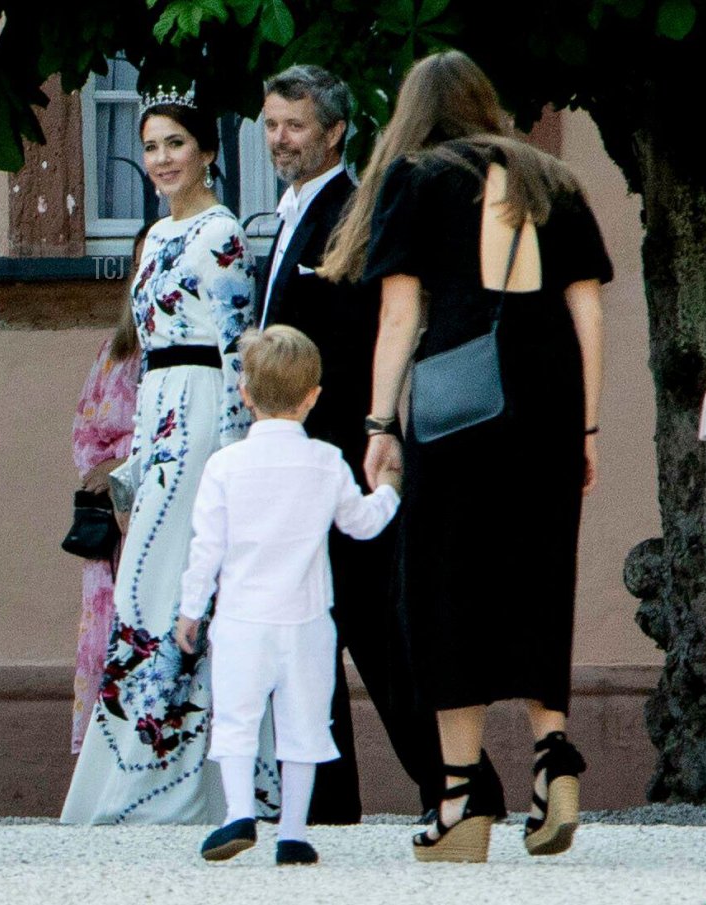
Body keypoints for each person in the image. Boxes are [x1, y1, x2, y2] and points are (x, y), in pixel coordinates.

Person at [320, 50, 611, 861]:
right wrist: (587, 428)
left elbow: (401, 315)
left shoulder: (417, 179)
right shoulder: (555, 180)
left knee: (444, 589)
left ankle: (457, 800)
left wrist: (380, 424)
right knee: (537, 577)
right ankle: (553, 757)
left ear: (418, 112)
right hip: (550, 395)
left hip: (458, 404)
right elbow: (589, 315)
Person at [61, 88, 273, 824]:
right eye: (149, 146)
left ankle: (175, 788)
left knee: (175, 590)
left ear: (208, 151)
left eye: (174, 144)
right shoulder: (152, 239)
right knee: (142, 595)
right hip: (157, 425)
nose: (159, 159)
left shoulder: (221, 235)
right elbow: (146, 352)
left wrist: (235, 453)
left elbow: (236, 348)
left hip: (203, 421)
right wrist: (134, 456)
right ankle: (139, 777)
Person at [258, 64, 441, 822]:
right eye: (270, 125)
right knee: (311, 633)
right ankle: (329, 800)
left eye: (294, 125)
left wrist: (375, 433)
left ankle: (456, 783)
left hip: (338, 453)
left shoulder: (354, 208)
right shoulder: (291, 208)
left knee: (374, 626)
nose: (279, 140)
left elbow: (371, 334)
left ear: (335, 131)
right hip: (299, 454)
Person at [175, 325, 401, 866]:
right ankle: (294, 832)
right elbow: (361, 524)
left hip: (240, 619)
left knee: (236, 720)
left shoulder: (224, 466)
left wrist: (190, 610)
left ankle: (237, 813)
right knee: (305, 725)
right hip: (306, 622)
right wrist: (391, 491)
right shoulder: (325, 461)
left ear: (245, 393)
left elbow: (206, 547)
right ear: (313, 396)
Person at [68, 227, 147, 753]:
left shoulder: (199, 346)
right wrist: (101, 471)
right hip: (108, 534)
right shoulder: (115, 349)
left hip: (159, 512)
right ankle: (106, 763)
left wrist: (127, 466)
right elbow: (84, 428)